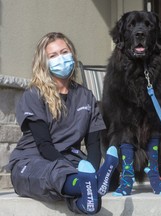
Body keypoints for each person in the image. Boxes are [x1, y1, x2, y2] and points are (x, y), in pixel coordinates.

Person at [6, 32, 119, 215]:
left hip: (71, 158)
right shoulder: (34, 95)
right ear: (44, 63)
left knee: (102, 177)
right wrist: (72, 169)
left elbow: (93, 145)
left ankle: (87, 197)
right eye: (53, 56)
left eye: (64, 52)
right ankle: (90, 184)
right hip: (33, 160)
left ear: (72, 54)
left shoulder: (86, 96)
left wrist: (90, 167)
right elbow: (44, 146)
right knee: (56, 174)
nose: (61, 58)